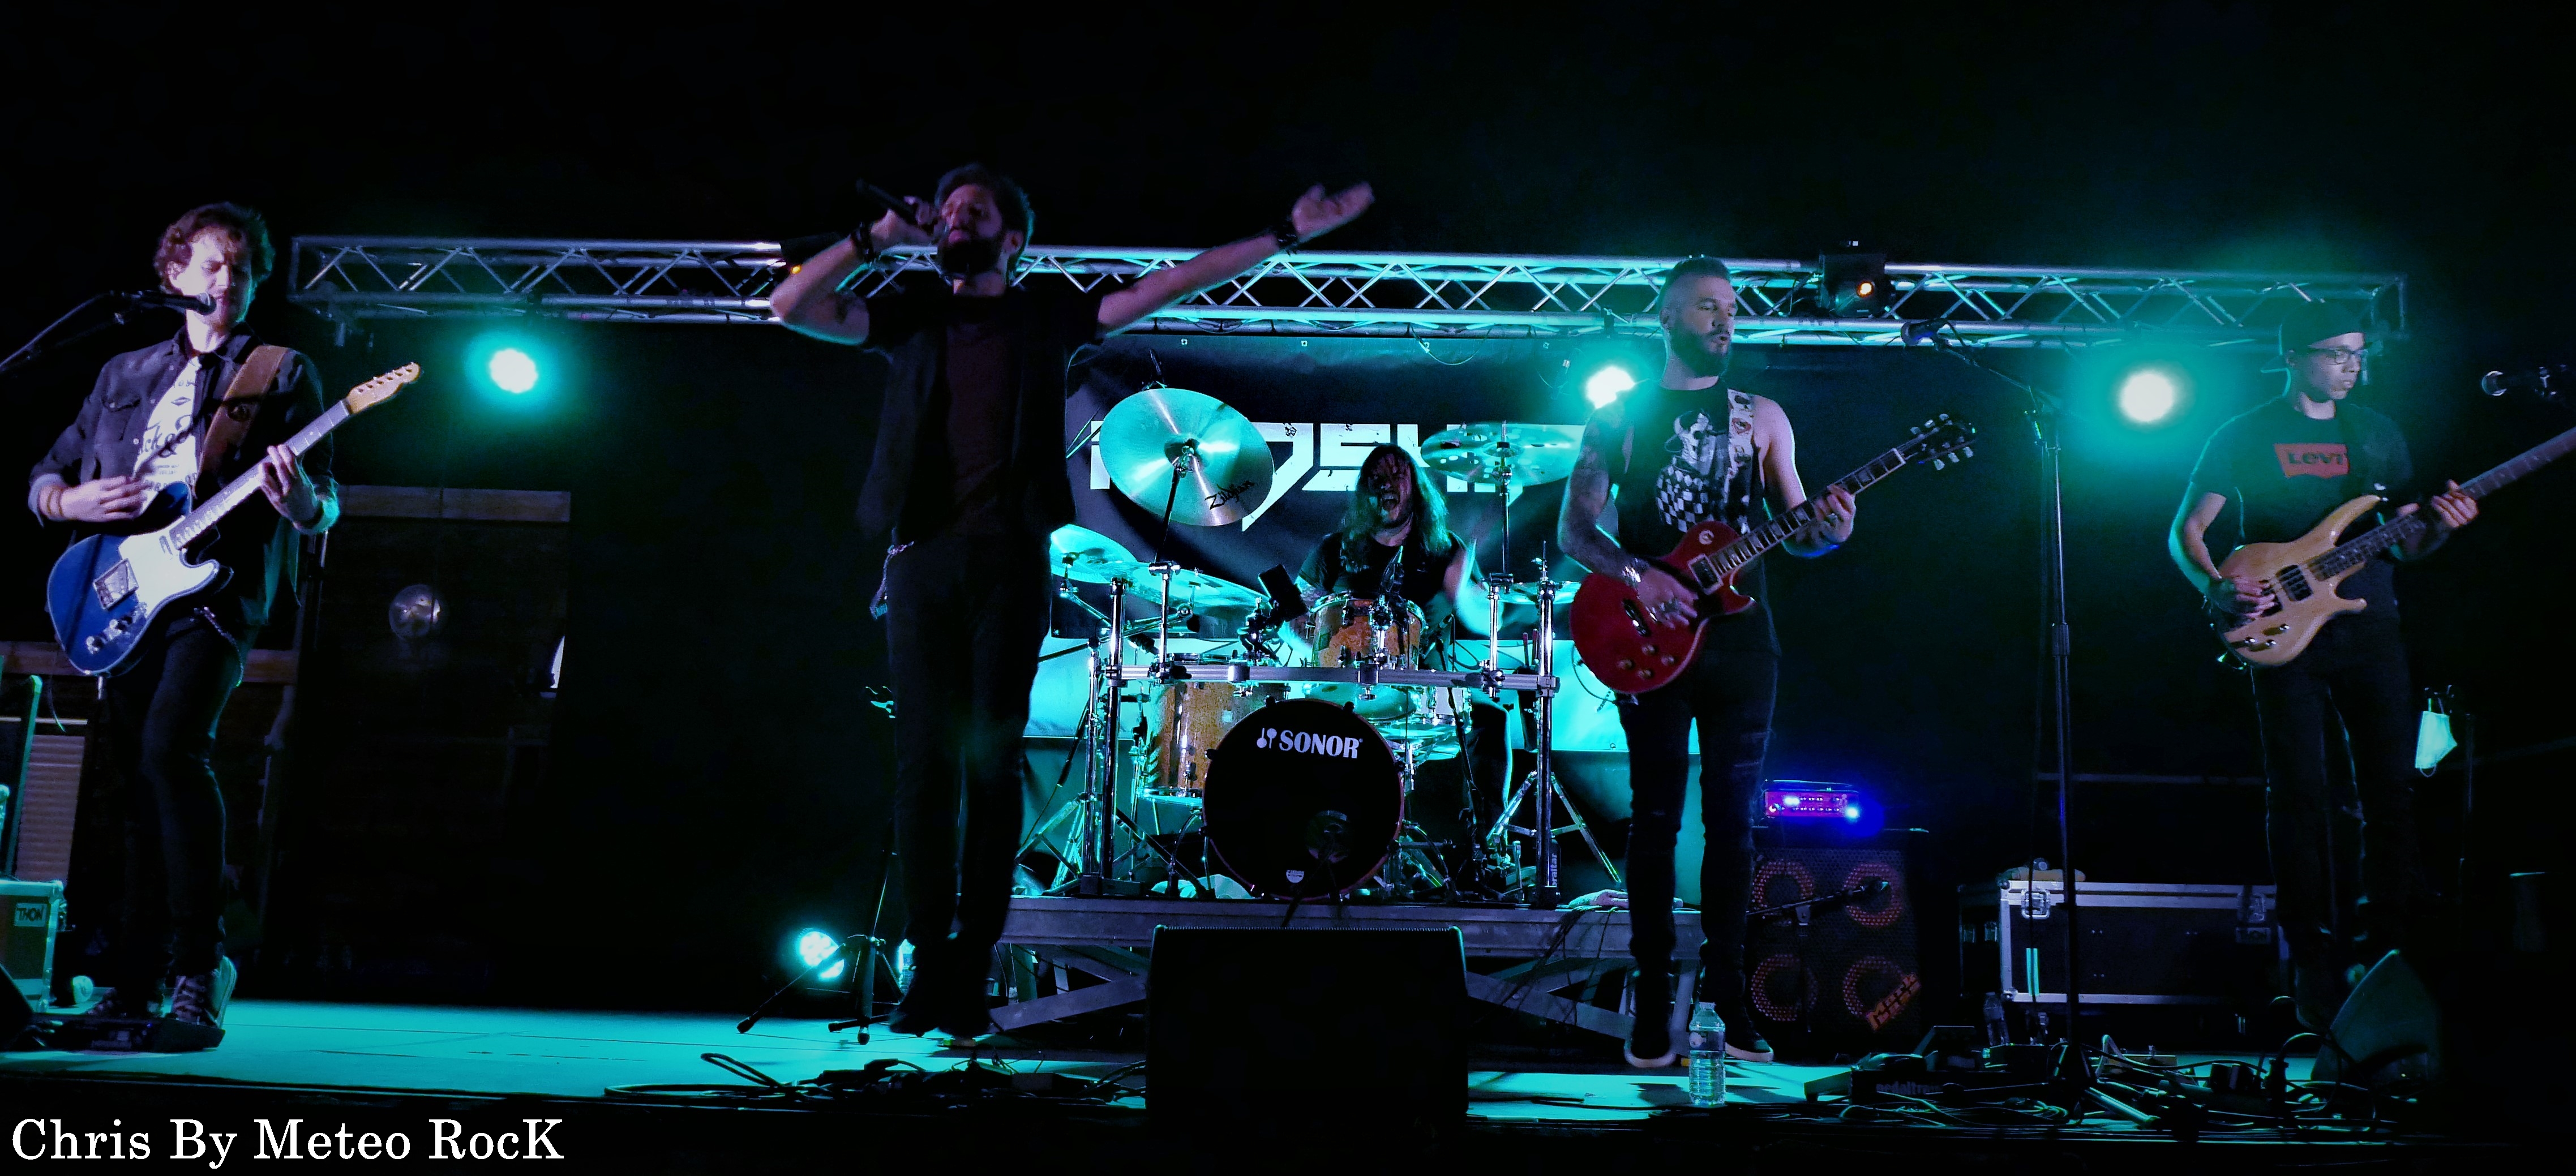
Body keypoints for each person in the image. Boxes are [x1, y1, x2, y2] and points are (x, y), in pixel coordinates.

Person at [771, 165, 1371, 1037]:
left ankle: (970, 969)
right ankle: (928, 967)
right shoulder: (911, 315)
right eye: (947, 209)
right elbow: (791, 305)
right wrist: (876, 240)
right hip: (920, 559)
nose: (954, 216)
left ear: (1012, 239)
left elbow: (1172, 282)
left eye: (975, 209)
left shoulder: (1042, 315)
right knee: (921, 765)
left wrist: (1286, 234)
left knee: (989, 761)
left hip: (1011, 560)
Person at [27, 203, 338, 1040]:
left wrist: (301, 503)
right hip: (125, 591)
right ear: (172, 274)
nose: (227, 281)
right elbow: (48, 473)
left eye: (242, 269)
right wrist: (68, 501)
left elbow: (324, 503)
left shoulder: (280, 372)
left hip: (214, 591)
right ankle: (133, 980)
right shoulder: (124, 371)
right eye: (210, 265)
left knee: (172, 749)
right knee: (135, 777)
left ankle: (203, 962)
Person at [1556, 256, 1856, 1068]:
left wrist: (1832, 529)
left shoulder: (1762, 416)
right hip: (1653, 639)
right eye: (1705, 307)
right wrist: (1639, 575)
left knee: (1733, 820)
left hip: (1741, 641)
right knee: (1654, 819)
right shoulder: (1618, 415)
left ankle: (1728, 998)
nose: (1724, 320)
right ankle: (1654, 999)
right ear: (1666, 317)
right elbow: (1576, 532)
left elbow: (1799, 531)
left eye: (1731, 307)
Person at [2167, 301, 2476, 1027]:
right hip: (2282, 624)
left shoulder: (2377, 435)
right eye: (2337, 353)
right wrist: (2216, 587)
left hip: (2370, 625)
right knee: (2299, 792)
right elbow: (2187, 529)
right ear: (2293, 356)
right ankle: (2311, 957)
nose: (2351, 366)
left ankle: (2384, 949)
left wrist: (2442, 529)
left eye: (2359, 354)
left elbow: (2405, 542)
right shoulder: (2243, 433)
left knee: (2391, 789)